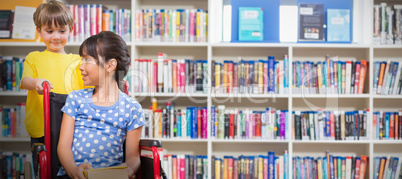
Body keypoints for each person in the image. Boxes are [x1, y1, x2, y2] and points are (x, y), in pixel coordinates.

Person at [57, 31, 144, 179]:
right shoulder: (76, 99)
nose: (80, 66)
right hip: (74, 173)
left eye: (87, 60)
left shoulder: (132, 108)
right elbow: (63, 146)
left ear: (110, 65)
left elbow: (133, 157)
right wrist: (73, 171)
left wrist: (129, 170)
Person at [20, 0, 85, 169]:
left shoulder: (77, 61)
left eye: (62, 31)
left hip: (72, 128)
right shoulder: (34, 57)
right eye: (49, 31)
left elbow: (89, 84)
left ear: (71, 30)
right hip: (41, 126)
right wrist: (36, 82)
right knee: (46, 166)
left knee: (69, 165)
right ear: (39, 31)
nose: (56, 36)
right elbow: (25, 81)